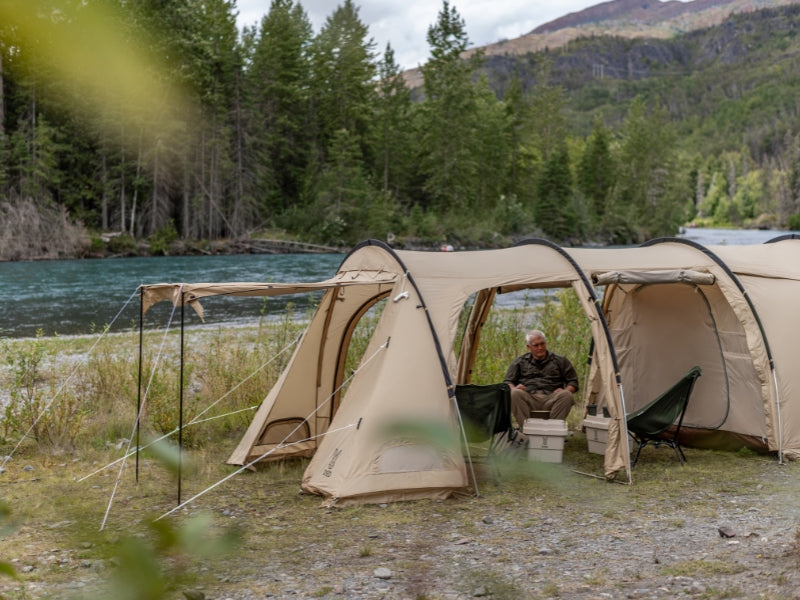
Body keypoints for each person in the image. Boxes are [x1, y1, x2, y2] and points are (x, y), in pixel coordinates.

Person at [503, 329, 579, 428]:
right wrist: (514, 388)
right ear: (528, 347)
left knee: (566, 395)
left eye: (542, 344)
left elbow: (573, 382)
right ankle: (527, 430)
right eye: (536, 345)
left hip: (552, 397)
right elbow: (507, 382)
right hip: (529, 397)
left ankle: (553, 431)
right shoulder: (519, 362)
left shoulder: (560, 360)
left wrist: (566, 390)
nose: (540, 347)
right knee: (514, 393)